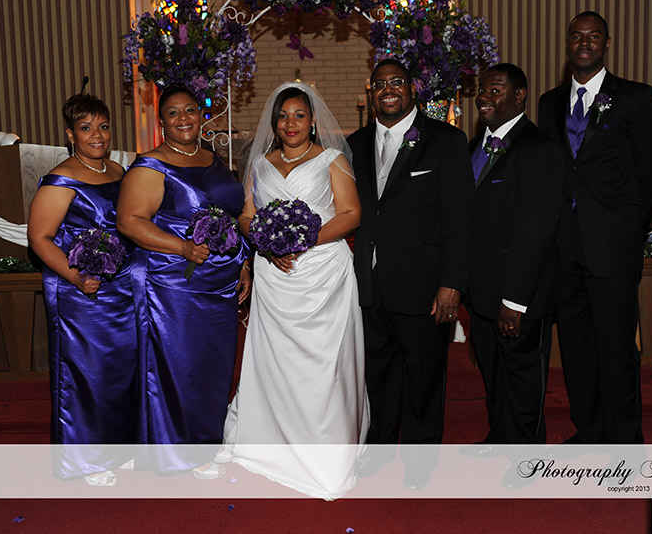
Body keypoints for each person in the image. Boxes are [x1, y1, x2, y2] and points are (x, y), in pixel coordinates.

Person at [221, 82, 368, 500]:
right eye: (283, 116)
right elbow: (247, 216)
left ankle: (326, 455)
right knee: (275, 361)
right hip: (275, 276)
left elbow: (351, 213)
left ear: (313, 121)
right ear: (274, 123)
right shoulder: (259, 164)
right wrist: (266, 244)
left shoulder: (332, 160)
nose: (291, 124)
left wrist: (303, 241)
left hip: (323, 275)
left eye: (299, 116)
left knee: (322, 365)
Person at [538, 11, 652, 444]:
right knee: (576, 346)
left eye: (594, 36)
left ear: (607, 43)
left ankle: (626, 439)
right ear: (567, 43)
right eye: (577, 36)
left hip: (613, 245)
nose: (585, 42)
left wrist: (631, 226)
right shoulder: (550, 102)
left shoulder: (634, 97)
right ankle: (589, 429)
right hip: (565, 246)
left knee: (616, 346)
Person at [348, 58, 474, 489]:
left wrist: (452, 283)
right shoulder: (354, 144)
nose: (389, 89)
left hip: (424, 284)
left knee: (424, 375)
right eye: (380, 84)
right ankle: (380, 447)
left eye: (397, 82)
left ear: (412, 88)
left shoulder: (445, 140)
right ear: (371, 92)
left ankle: (420, 458)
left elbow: (460, 219)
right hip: (369, 283)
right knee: (378, 373)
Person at [116, 84, 251, 477]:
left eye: (189, 109)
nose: (183, 118)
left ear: (201, 114)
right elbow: (129, 221)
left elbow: (232, 216)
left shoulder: (213, 158)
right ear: (161, 122)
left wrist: (242, 262)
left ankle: (207, 437)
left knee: (215, 363)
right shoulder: (151, 166)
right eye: (173, 113)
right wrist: (182, 248)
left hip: (220, 282)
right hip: (175, 282)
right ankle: (184, 451)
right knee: (182, 366)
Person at [27, 93, 137, 486]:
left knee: (122, 370)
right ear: (70, 134)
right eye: (86, 128)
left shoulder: (118, 170)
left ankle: (120, 448)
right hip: (80, 291)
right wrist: (75, 277)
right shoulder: (61, 178)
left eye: (103, 126)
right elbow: (39, 238)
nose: (97, 135)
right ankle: (88, 458)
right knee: (88, 373)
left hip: (122, 289)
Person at [461, 63, 564, 448]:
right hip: (480, 291)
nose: (484, 97)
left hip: (519, 295)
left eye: (496, 90)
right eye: (482, 89)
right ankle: (500, 437)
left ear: (519, 96)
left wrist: (515, 300)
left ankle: (527, 455)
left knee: (523, 379)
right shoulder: (473, 147)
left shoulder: (539, 149)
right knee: (494, 374)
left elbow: (537, 233)